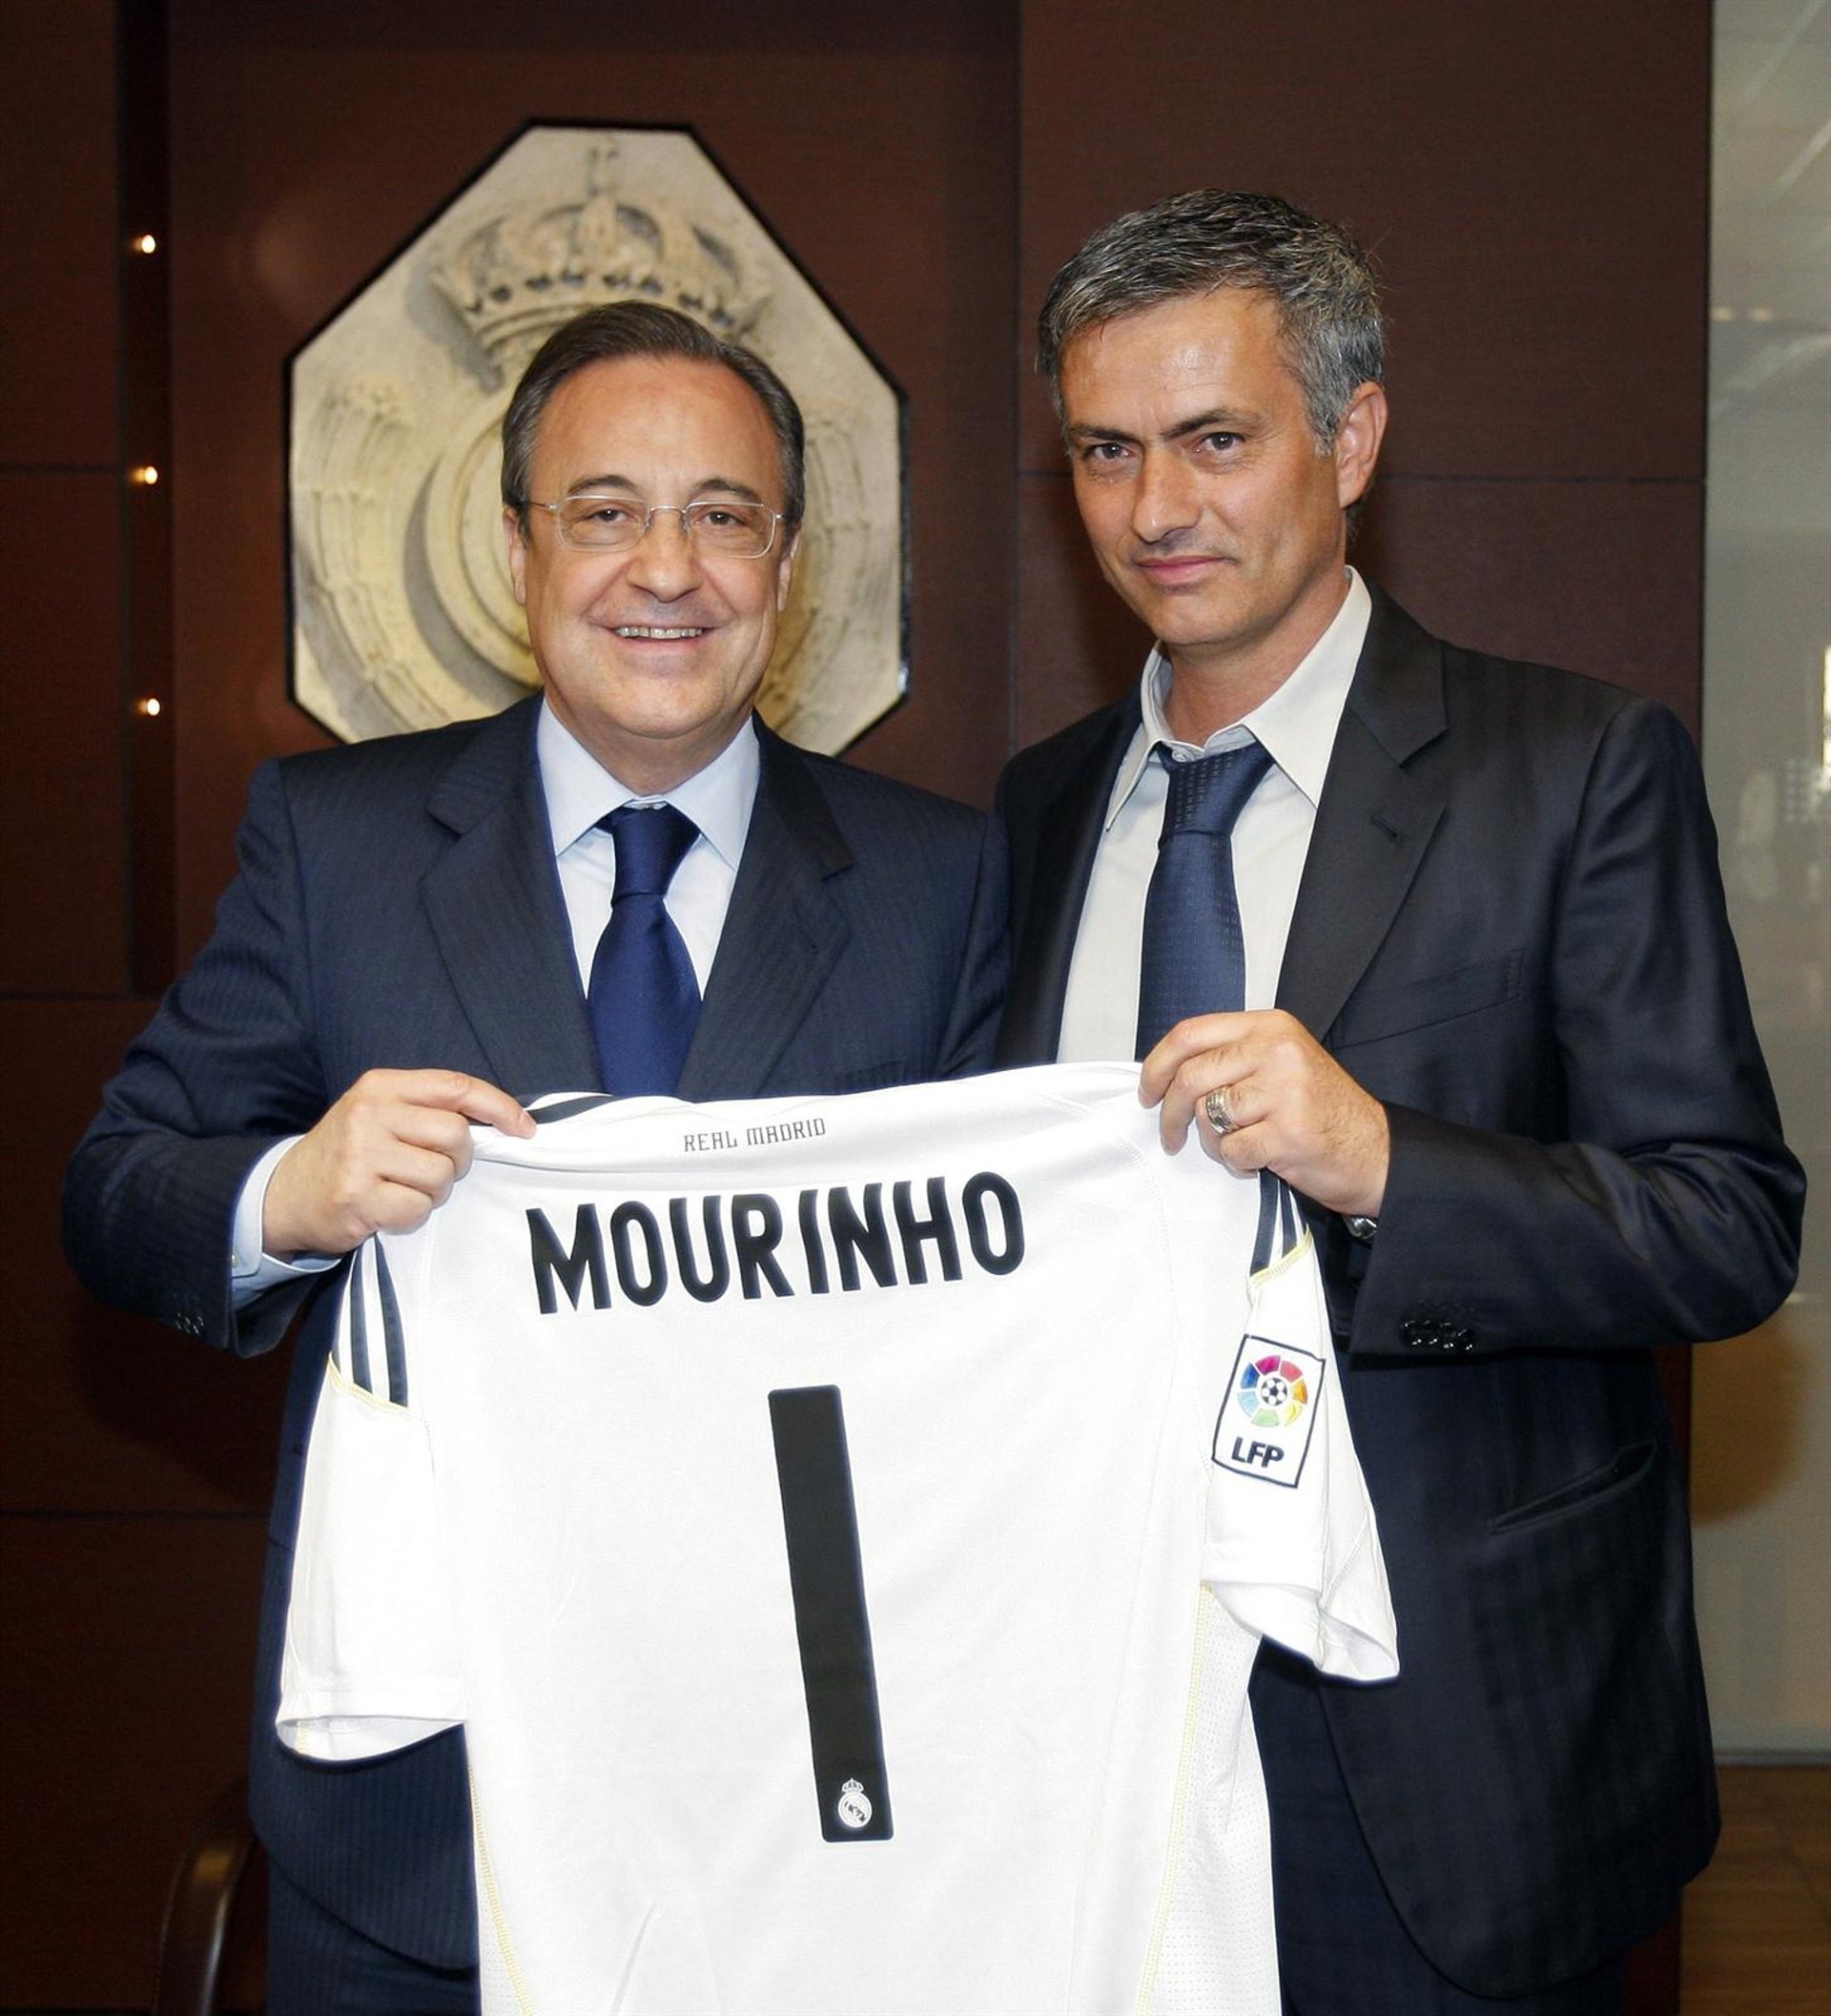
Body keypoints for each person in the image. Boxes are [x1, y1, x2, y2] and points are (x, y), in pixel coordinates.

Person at [63, 301, 1005, 2014]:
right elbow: (116, 1194)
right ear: (518, 551)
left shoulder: (941, 883)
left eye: (724, 515)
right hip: (426, 1826)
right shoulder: (335, 843)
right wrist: (292, 1194)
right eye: (606, 510)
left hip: (802, 1821)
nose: (668, 568)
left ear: (789, 566)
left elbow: (993, 1337)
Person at [995, 189, 1803, 2014]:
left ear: (1351, 437)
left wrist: (1379, 1160)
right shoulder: (1041, 809)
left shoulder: (1575, 768)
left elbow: (1730, 1223)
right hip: (1101, 1722)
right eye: (1106, 451)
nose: (1155, 506)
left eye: (1216, 439)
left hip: (1449, 1747)